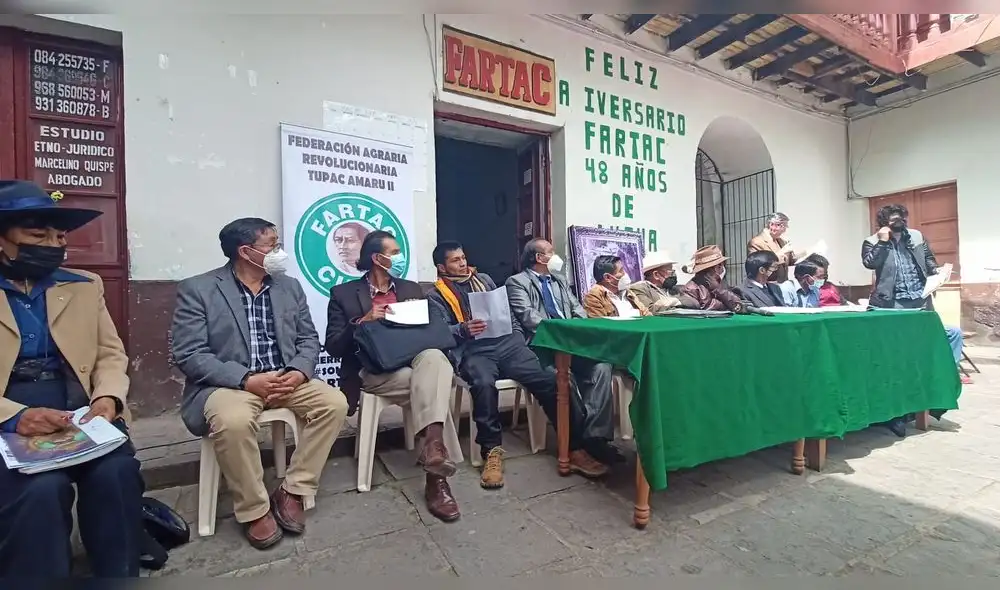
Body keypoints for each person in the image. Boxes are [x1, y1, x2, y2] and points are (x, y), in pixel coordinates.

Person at [171, 218, 348, 550]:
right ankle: (254, 510)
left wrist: (298, 371)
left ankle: (294, 489)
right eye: (272, 245)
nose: (279, 252)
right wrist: (245, 379)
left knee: (334, 403)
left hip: (285, 378)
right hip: (230, 384)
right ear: (245, 252)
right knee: (233, 421)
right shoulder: (199, 289)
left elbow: (309, 339)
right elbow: (190, 354)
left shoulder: (288, 287)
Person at [0, 180, 143, 577]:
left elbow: (110, 354)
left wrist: (108, 399)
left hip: (77, 409)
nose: (51, 243)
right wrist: (14, 418)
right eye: (36, 234)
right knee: (40, 490)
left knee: (117, 473)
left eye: (59, 235)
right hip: (9, 411)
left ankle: (119, 575)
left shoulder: (83, 286)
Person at [325, 231, 462, 521]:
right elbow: (334, 346)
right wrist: (363, 321)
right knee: (433, 387)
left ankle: (434, 461)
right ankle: (437, 470)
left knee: (435, 359)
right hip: (373, 372)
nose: (400, 258)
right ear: (377, 258)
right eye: (395, 252)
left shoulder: (411, 288)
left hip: (414, 364)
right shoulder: (344, 294)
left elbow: (427, 334)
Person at [427, 241, 558, 489]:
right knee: (484, 384)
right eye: (456, 260)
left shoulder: (484, 279)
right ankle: (491, 452)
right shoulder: (435, 295)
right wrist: (462, 329)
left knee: (549, 377)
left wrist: (517, 336)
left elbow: (505, 311)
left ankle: (573, 442)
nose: (463, 263)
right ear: (442, 267)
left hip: (506, 343)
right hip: (472, 350)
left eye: (463, 257)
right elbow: (438, 332)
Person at [506, 238, 620, 474]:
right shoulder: (517, 282)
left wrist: (575, 335)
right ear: (539, 258)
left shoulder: (559, 281)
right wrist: (563, 334)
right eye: (551, 251)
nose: (556, 255)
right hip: (543, 347)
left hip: (572, 345)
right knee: (562, 379)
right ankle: (575, 442)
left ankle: (595, 439)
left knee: (602, 366)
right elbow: (529, 317)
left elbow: (578, 311)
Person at [862, 203, 970, 417]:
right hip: (893, 303)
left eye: (901, 218)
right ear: (884, 223)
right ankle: (905, 398)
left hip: (920, 299)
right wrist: (883, 242)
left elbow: (928, 258)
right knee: (901, 348)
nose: (899, 222)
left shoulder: (916, 236)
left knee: (950, 335)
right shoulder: (873, 241)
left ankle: (943, 376)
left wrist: (936, 271)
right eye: (894, 220)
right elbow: (869, 263)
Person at [679, 245, 745, 313]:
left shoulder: (720, 283)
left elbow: (738, 305)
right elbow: (705, 310)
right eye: (720, 265)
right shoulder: (690, 289)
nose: (722, 268)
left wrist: (719, 290)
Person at [627, 250, 698, 313]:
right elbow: (650, 310)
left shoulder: (675, 289)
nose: (674, 274)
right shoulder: (640, 288)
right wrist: (679, 305)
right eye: (670, 271)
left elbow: (694, 303)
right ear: (656, 275)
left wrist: (674, 301)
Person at [582, 254, 648, 318]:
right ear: (607, 277)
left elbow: (647, 314)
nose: (625, 274)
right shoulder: (594, 297)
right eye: (621, 271)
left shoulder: (627, 292)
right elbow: (601, 325)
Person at [747, 212, 801, 283]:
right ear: (772, 225)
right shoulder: (756, 242)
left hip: (783, 284)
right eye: (783, 226)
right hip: (768, 285)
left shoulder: (782, 241)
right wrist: (780, 254)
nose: (785, 230)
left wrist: (805, 255)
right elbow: (756, 268)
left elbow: (791, 261)